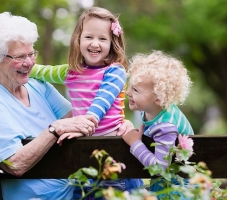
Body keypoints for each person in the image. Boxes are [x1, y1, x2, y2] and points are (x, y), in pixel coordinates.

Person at [0, 12, 99, 200]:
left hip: (75, 191)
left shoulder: (35, 84)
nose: (29, 63)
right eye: (19, 57)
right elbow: (13, 164)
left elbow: (77, 117)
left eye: (31, 53)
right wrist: (54, 129)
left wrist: (115, 124)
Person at [29, 6, 143, 199]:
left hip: (113, 157)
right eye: (89, 37)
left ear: (112, 43)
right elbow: (41, 71)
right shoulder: (70, 72)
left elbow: (100, 104)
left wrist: (84, 124)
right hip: (83, 159)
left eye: (102, 39)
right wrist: (21, 66)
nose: (95, 44)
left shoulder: (115, 72)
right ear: (78, 40)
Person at [118, 50, 194, 199]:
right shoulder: (152, 110)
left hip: (177, 190)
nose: (128, 92)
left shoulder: (166, 126)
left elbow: (160, 169)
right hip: (168, 184)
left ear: (158, 98)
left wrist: (135, 143)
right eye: (130, 86)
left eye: (135, 89)